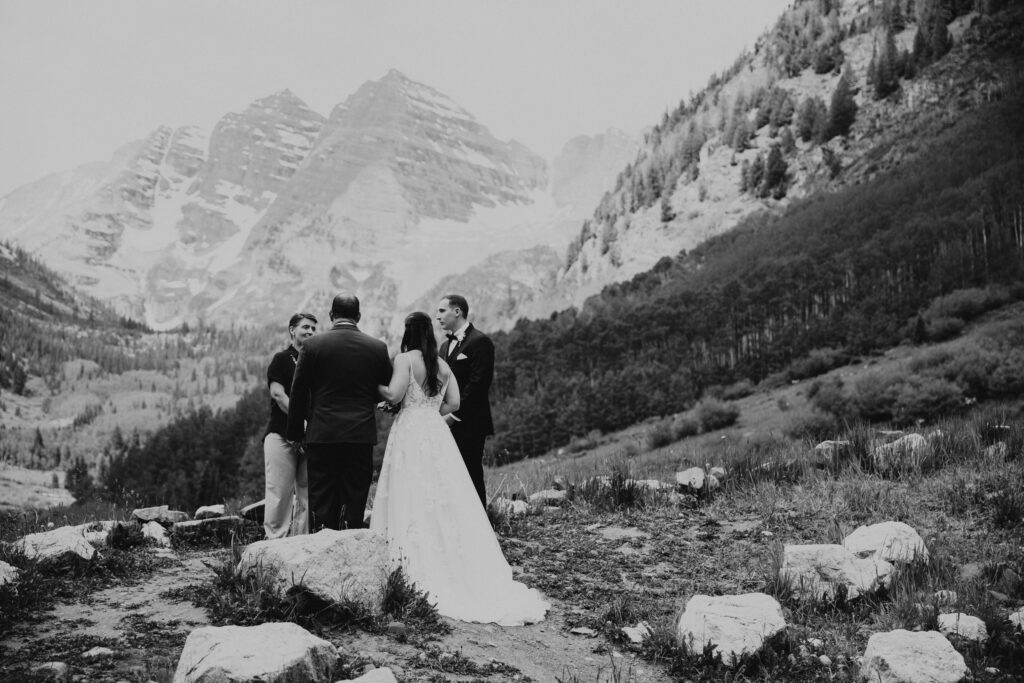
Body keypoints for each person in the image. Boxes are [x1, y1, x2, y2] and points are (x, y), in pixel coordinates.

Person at [372, 312, 548, 625]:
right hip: (435, 430)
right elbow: (453, 403)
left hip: (411, 431)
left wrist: (375, 387)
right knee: (444, 492)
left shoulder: (405, 359)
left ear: (408, 333)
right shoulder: (443, 365)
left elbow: (394, 394)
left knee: (410, 489)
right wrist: (428, 409)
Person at [287, 294, 392, 531]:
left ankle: (322, 546)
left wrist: (295, 433)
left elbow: (298, 392)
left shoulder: (312, 346)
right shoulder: (377, 347)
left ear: (331, 316)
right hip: (360, 434)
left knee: (322, 496)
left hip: (323, 433)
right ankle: (350, 543)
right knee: (355, 496)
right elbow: (384, 389)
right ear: (358, 317)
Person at [262, 312, 317, 539]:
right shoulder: (282, 359)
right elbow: (278, 393)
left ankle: (303, 541)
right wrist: (299, 425)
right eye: (305, 327)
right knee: (279, 492)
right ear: (292, 330)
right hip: (281, 435)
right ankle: (275, 542)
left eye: (314, 328)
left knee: (308, 492)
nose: (310, 332)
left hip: (310, 437)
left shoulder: (316, 361)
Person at [436, 294, 493, 507]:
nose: (437, 317)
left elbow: (479, 384)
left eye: (442, 311)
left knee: (471, 473)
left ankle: (482, 527)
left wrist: (453, 415)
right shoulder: (443, 347)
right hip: (445, 422)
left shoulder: (480, 341)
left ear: (457, 311)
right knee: (451, 476)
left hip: (470, 423)